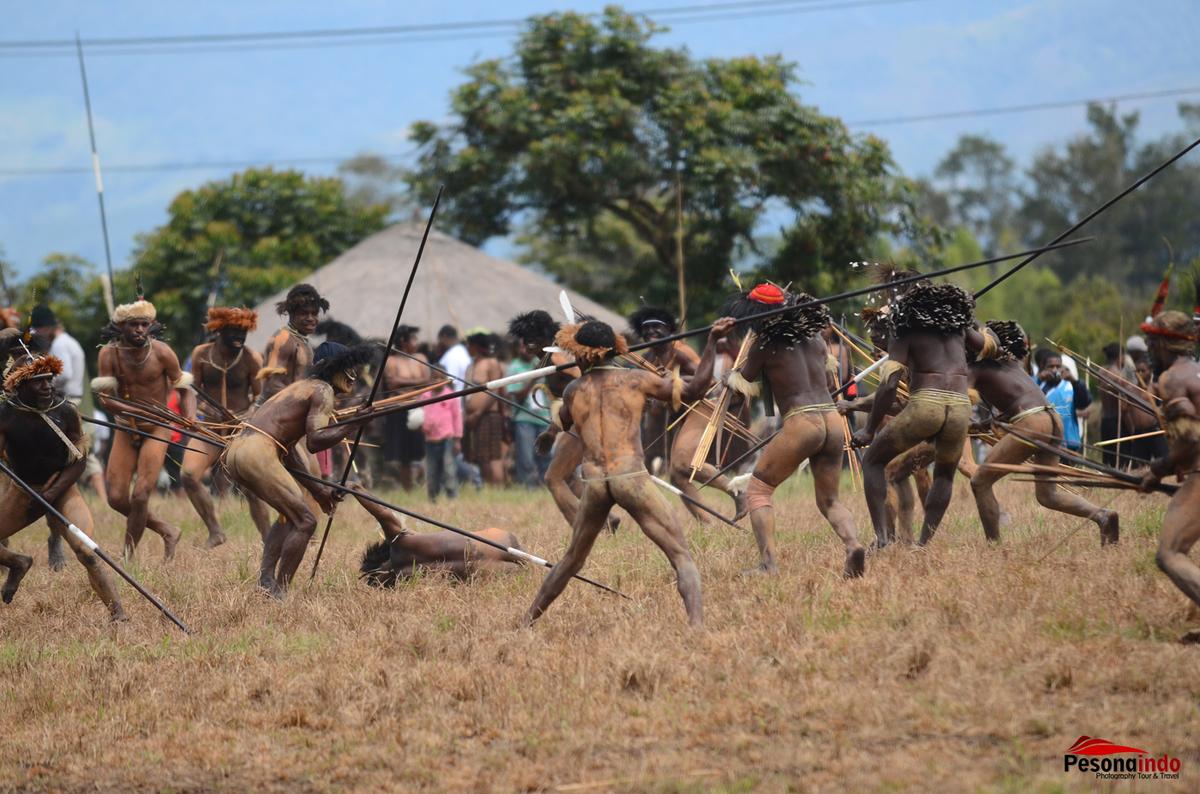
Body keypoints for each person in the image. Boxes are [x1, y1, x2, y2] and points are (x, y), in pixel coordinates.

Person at [523, 317, 733, 628]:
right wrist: (712, 342)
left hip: (595, 481)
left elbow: (564, 421)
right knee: (681, 556)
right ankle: (697, 626)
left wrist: (548, 433)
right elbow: (695, 390)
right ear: (613, 351)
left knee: (571, 560)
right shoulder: (636, 380)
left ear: (583, 355)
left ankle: (526, 621)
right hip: (629, 476)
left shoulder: (573, 390)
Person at [722, 284, 865, 576]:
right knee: (830, 500)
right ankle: (853, 545)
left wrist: (729, 378)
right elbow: (828, 381)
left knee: (758, 491)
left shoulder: (764, 344)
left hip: (802, 422)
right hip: (832, 419)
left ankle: (768, 565)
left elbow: (742, 384)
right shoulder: (815, 338)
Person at [222, 342, 372, 598]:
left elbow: (289, 452)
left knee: (288, 515)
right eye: (349, 369)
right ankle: (279, 591)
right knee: (306, 521)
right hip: (258, 451)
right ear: (334, 368)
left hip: (237, 451)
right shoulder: (323, 390)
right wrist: (354, 424)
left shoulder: (299, 388)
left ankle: (266, 581)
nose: (353, 376)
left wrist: (319, 491)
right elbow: (315, 441)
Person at [853, 277, 987, 547]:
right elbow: (984, 344)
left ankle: (882, 539)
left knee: (872, 462)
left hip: (927, 404)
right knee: (945, 475)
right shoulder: (957, 326)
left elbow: (889, 384)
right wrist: (966, 315)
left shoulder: (904, 328)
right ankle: (923, 545)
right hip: (961, 406)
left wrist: (869, 429)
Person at [969, 320, 1119, 544]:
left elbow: (957, 403)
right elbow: (1015, 400)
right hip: (1052, 418)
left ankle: (993, 547)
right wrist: (984, 425)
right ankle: (1102, 515)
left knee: (979, 482)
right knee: (1048, 495)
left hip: (1032, 423)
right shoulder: (1011, 364)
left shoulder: (976, 370)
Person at [0, 352, 125, 621]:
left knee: (87, 552)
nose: (47, 386)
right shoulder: (6, 415)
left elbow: (80, 460)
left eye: (49, 380)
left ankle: (118, 614)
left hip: (62, 488)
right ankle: (18, 562)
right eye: (39, 381)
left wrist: (52, 492)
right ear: (20, 385)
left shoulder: (65, 411)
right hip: (24, 491)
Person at [91, 297, 192, 560]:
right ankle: (166, 529)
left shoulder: (162, 352)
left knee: (140, 495)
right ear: (121, 326)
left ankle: (127, 557)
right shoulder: (109, 354)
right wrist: (136, 411)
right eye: (133, 324)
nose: (139, 330)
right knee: (116, 498)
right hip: (125, 428)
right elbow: (105, 400)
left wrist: (190, 418)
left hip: (157, 428)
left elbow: (184, 387)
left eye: (144, 324)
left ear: (151, 325)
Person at [630, 306, 748, 523]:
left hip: (703, 405)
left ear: (670, 330)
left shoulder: (680, 352)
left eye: (656, 327)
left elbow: (709, 382)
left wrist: (676, 380)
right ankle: (706, 524)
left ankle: (738, 491)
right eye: (646, 328)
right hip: (681, 414)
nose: (650, 332)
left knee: (685, 462)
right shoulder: (648, 358)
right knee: (677, 475)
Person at [180, 307, 269, 547]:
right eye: (233, 331)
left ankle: (268, 539)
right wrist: (192, 414)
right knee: (188, 476)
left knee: (252, 488)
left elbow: (260, 397)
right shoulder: (201, 354)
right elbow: (191, 391)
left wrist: (249, 416)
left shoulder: (252, 358)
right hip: (209, 426)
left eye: (243, 331)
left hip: (239, 428)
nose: (240, 336)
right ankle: (215, 531)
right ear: (219, 330)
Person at [1138, 311, 1200, 638]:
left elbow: (1190, 440)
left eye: (1151, 343)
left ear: (1164, 344)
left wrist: (1157, 470)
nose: (1149, 350)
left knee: (1170, 553)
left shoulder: (1173, 379)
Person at [31, 305, 103, 568]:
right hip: (67, 402)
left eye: (40, 329)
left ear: (48, 327)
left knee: (74, 459)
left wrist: (37, 383)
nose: (39, 333)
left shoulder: (61, 344)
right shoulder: (68, 341)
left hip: (65, 404)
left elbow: (65, 375)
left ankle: (64, 526)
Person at [353, 484, 523, 584]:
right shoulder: (405, 576)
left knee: (520, 568)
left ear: (381, 566)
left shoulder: (398, 544)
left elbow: (382, 513)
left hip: (492, 550)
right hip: (496, 554)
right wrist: (353, 488)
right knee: (521, 567)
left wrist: (353, 487)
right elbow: (382, 513)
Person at [508, 310, 585, 526]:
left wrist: (552, 430)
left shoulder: (558, 357)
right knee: (566, 476)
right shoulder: (546, 359)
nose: (526, 348)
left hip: (583, 420)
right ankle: (606, 519)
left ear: (541, 338)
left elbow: (583, 386)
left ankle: (587, 526)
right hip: (574, 421)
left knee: (554, 478)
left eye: (529, 342)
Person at [258, 284, 328, 402]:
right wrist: (305, 402)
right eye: (304, 313)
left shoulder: (303, 341)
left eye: (314, 313)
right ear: (291, 313)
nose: (311, 318)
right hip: (274, 409)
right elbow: (272, 386)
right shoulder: (283, 339)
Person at [380, 325, 429, 490]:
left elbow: (427, 381)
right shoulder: (391, 361)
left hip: (419, 407)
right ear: (403, 341)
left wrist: (403, 381)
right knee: (403, 456)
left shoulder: (420, 358)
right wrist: (415, 383)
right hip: (399, 408)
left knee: (423, 450)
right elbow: (391, 384)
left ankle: (425, 484)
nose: (416, 342)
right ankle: (407, 489)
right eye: (413, 339)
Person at [505, 335, 551, 487]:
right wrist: (533, 377)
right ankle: (527, 487)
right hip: (524, 418)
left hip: (544, 418)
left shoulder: (540, 363)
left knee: (546, 456)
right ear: (518, 348)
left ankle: (546, 486)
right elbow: (517, 396)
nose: (527, 350)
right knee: (526, 458)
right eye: (523, 346)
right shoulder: (514, 367)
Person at [463, 331, 507, 485]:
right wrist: (468, 415)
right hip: (472, 417)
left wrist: (478, 413)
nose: (467, 348)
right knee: (480, 457)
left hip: (488, 415)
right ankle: (487, 488)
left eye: (469, 345)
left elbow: (495, 390)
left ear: (475, 346)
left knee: (492, 457)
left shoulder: (491, 363)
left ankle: (496, 490)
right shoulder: (471, 366)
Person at [1037, 352, 1091, 453]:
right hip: (1047, 442)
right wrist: (1039, 379)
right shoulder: (1039, 386)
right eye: (1050, 367)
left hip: (1069, 443)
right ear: (1043, 368)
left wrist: (1074, 381)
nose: (1054, 370)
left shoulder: (1071, 386)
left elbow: (1084, 403)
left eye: (1058, 366)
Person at [423, 381, 463, 501]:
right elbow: (421, 414)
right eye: (434, 378)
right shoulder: (425, 396)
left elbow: (457, 418)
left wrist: (457, 439)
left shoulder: (450, 396)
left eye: (440, 378)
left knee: (449, 469)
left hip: (447, 439)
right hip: (430, 439)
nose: (437, 381)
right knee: (431, 470)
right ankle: (432, 497)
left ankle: (452, 496)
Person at [1099, 341, 1127, 468]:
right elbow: (1124, 404)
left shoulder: (1101, 371)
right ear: (1120, 357)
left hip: (1105, 421)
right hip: (1117, 421)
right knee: (1120, 461)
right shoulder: (1118, 376)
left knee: (1108, 460)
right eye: (1123, 356)